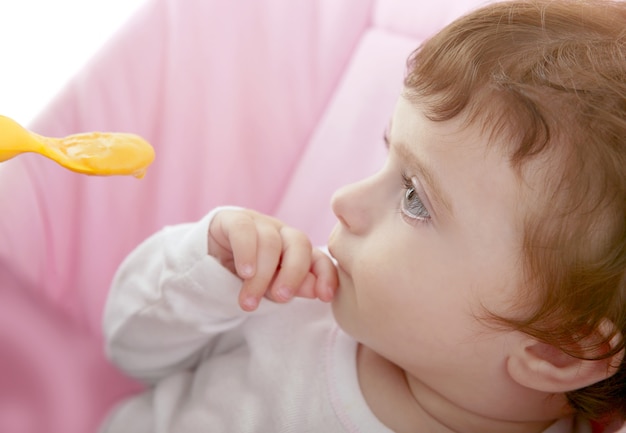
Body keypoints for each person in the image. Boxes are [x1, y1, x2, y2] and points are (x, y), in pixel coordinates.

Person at [99, 0, 626, 432]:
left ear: (558, 350)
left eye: (414, 198)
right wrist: (209, 267)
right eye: (386, 154)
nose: (344, 202)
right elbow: (130, 349)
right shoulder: (297, 295)